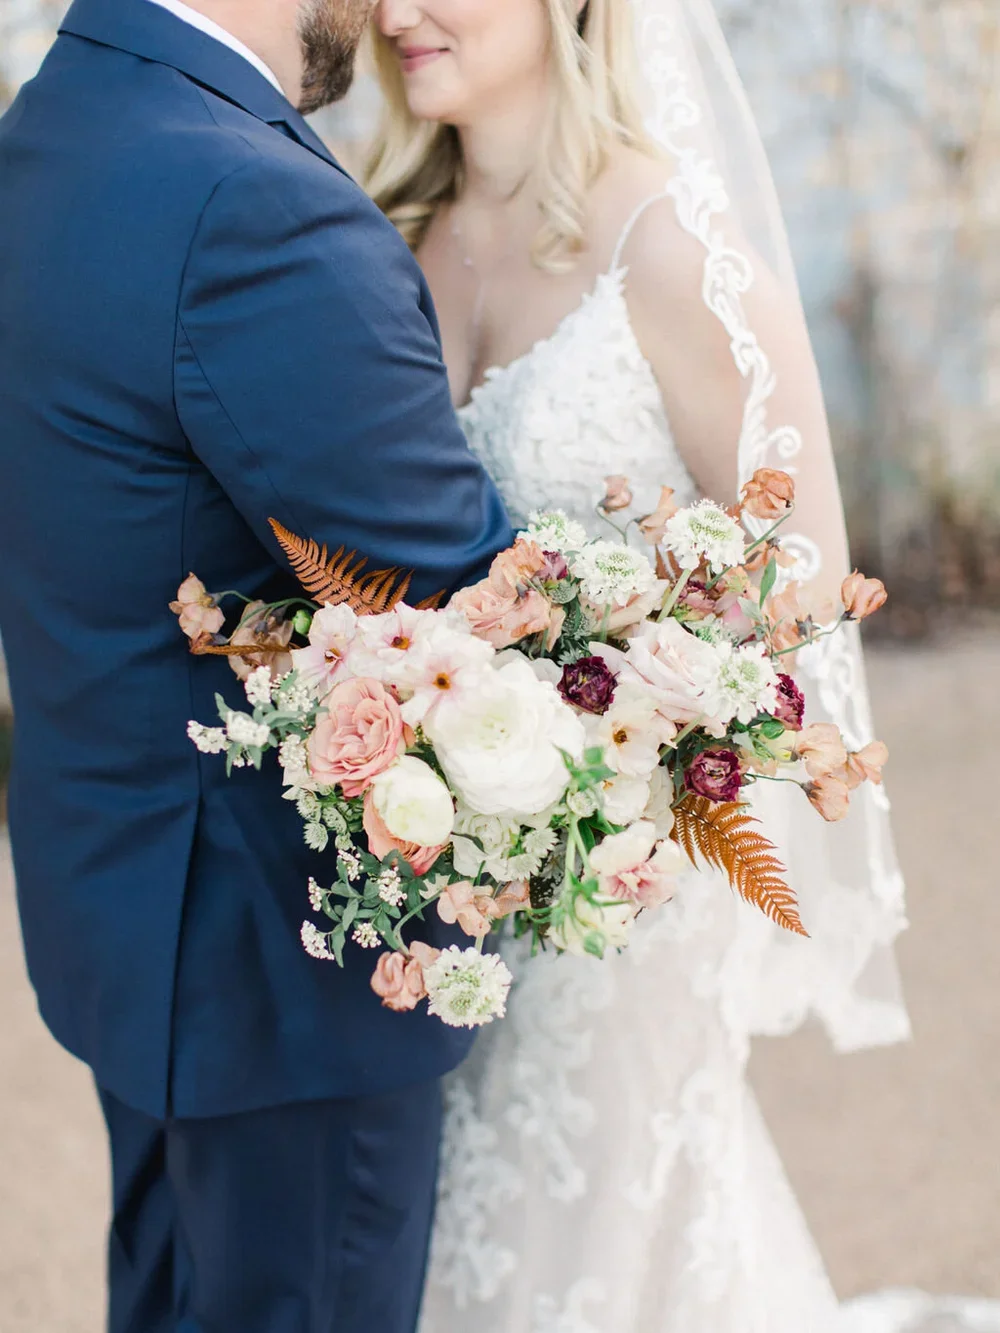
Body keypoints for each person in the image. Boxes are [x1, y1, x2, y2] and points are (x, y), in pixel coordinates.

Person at [361, 1, 1000, 1330]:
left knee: (578, 1238)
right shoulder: (378, 246)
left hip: (629, 890)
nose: (393, 9)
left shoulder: (671, 255)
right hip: (434, 878)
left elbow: (802, 593)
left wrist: (626, 731)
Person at [0, 0, 512, 1328]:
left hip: (135, 927)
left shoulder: (60, 116)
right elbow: (463, 591)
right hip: (276, 985)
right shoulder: (249, 202)